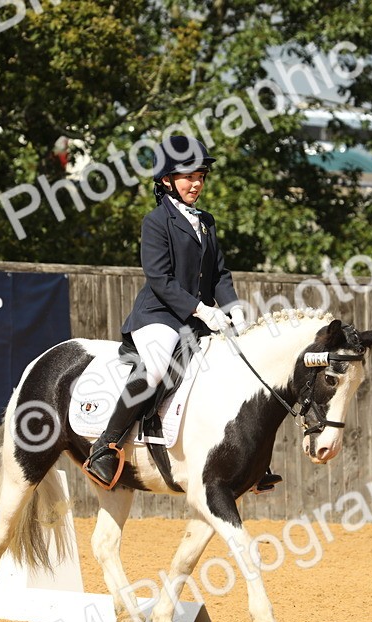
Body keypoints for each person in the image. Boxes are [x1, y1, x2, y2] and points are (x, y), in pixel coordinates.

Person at [82, 135, 278, 491]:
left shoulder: (207, 221)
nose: (197, 183)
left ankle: (250, 461)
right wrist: (202, 310)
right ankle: (105, 446)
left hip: (197, 320)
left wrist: (234, 311)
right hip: (159, 316)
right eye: (189, 177)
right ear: (166, 180)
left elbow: (218, 274)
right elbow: (160, 279)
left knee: (235, 362)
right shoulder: (156, 222)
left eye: (201, 176)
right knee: (156, 367)